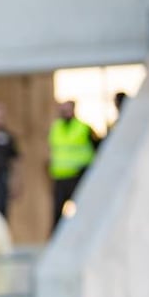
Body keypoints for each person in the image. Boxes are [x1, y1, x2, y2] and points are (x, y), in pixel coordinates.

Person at [47, 99, 99, 233]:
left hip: (78, 176)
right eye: (63, 109)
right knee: (57, 212)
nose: (65, 112)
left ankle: (86, 233)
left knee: (83, 210)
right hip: (60, 177)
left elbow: (97, 148)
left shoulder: (83, 128)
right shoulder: (55, 128)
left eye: (67, 109)